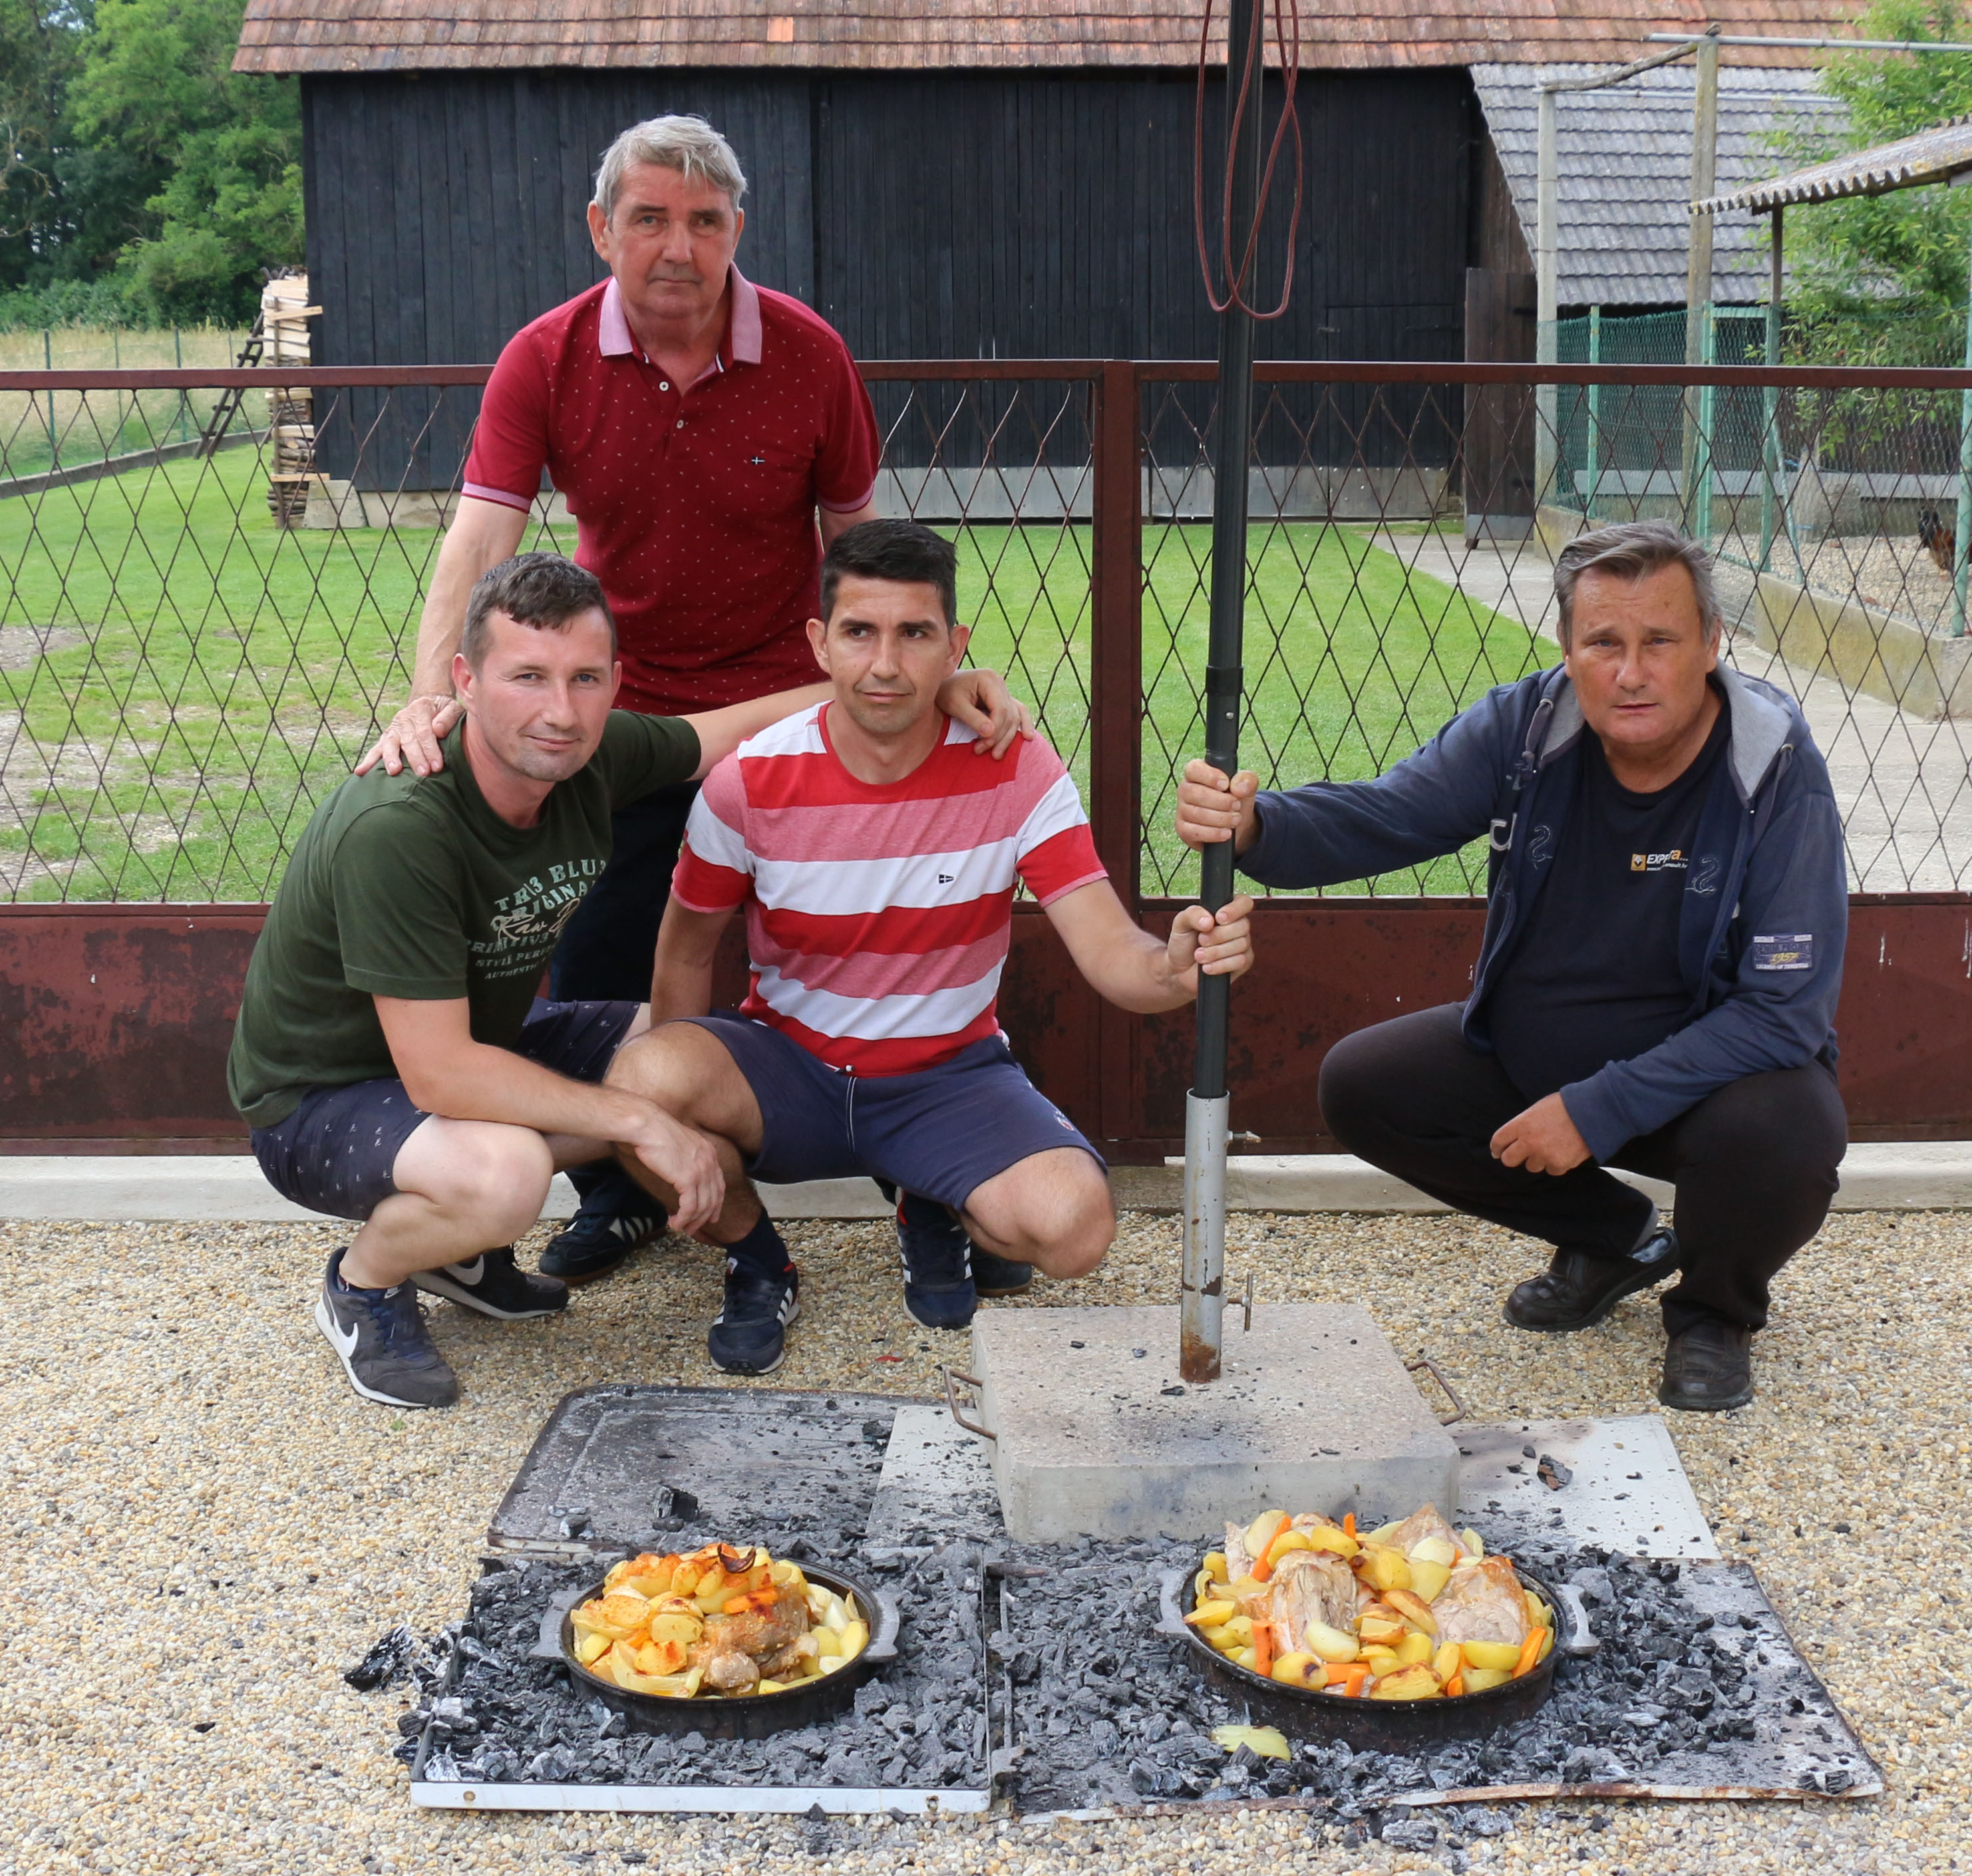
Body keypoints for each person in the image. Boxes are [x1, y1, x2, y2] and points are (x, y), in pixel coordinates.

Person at [355, 112, 943, 1289]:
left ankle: (930, 1184)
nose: (677, 246)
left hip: (787, 709)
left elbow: (865, 549)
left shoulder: (811, 356)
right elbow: (477, 545)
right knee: (605, 961)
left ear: (737, 230)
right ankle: (623, 1194)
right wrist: (431, 702)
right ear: (599, 230)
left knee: (866, 950)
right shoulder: (546, 357)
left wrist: (912, 676)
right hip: (618, 724)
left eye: (704, 221)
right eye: (649, 219)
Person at [231, 553, 1024, 1410]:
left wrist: (913, 685)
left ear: (615, 682)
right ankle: (366, 1283)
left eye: (584, 679)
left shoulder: (590, 754)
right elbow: (439, 1075)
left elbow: (723, 730)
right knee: (506, 1175)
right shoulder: (401, 823)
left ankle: (456, 1257)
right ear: (465, 679)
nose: (559, 712)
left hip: (466, 1055)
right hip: (320, 1099)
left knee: (684, 1051)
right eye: (526, 677)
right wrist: (639, 1122)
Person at [1175, 520, 1847, 1413]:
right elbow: (1388, 816)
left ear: (1712, 646)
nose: (1631, 672)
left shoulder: (1775, 765)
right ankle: (1617, 1241)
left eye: (1660, 642)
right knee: (1365, 1085)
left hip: (1702, 1086)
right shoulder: (1528, 726)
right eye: (1604, 642)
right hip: (1533, 1057)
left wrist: (1596, 1107)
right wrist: (1258, 827)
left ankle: (1713, 1314)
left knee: (1790, 1129)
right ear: (1568, 649)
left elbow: (1781, 1014)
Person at [599, 520, 1257, 1374]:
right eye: (860, 632)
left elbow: (1111, 954)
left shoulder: (1015, 768)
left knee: (1075, 1230)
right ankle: (758, 1258)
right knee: (637, 1088)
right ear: (820, 643)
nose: (885, 664)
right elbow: (683, 955)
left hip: (947, 1074)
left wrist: (1176, 967)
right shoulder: (747, 781)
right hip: (789, 1066)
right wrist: (673, 1127)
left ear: (956, 646)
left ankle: (929, 1195)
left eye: (915, 634)